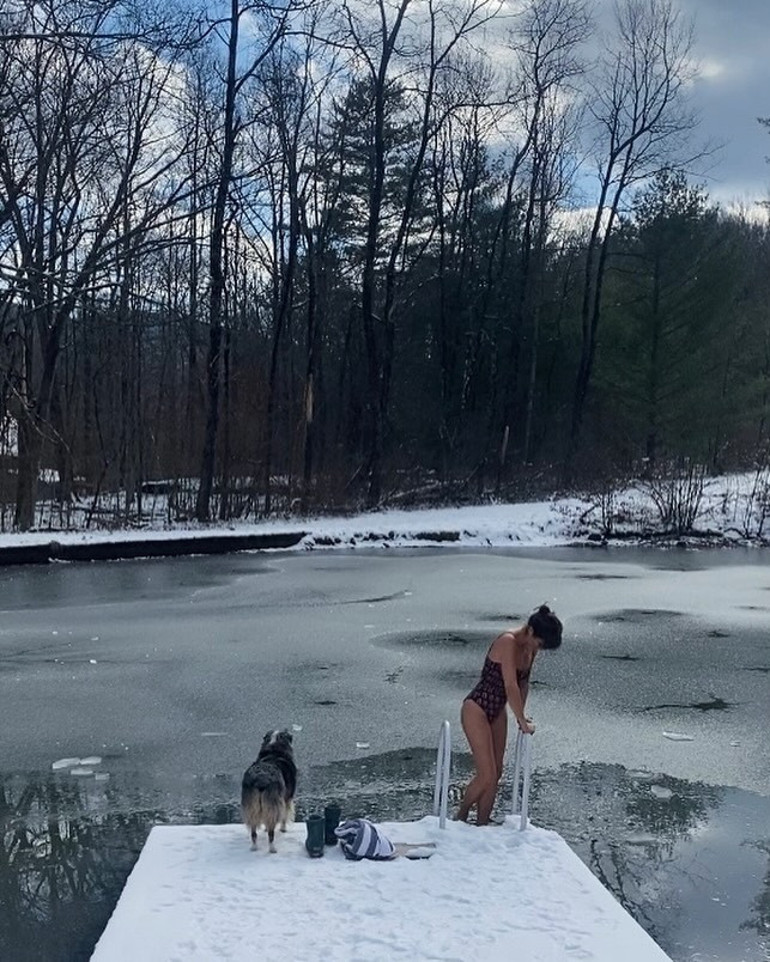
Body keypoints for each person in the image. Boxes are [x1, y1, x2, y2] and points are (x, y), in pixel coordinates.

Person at [455, 604, 562, 825]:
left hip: (497, 710)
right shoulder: (508, 641)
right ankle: (461, 815)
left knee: (497, 773)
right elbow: (510, 684)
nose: (539, 649)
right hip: (476, 707)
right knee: (486, 773)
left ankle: (482, 823)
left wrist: (521, 715)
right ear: (531, 631)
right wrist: (521, 721)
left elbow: (523, 684)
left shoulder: (529, 649)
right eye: (540, 644)